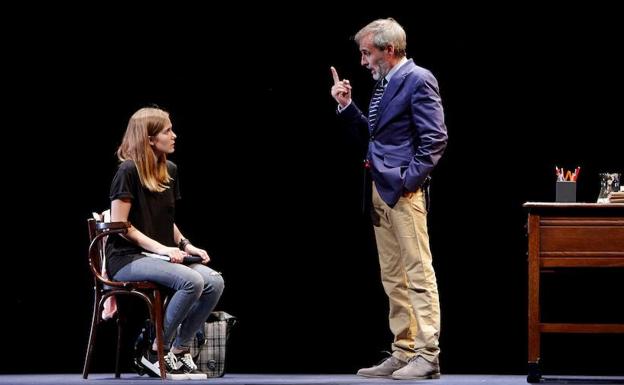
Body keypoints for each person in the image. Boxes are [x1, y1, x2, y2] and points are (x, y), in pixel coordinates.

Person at [330, 18, 447, 380]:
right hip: (380, 189)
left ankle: (427, 354)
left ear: (389, 50)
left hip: (402, 192)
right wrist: (347, 107)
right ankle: (404, 349)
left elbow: (435, 140)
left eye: (367, 53)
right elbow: (375, 136)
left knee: (417, 272)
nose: (363, 61)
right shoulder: (384, 85)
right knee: (393, 276)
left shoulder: (418, 79)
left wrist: (406, 182)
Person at [105, 106, 224, 380]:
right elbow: (121, 226)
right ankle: (153, 351)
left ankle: (179, 351)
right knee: (191, 281)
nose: (174, 135)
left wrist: (185, 245)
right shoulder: (127, 171)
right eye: (167, 131)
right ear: (148, 138)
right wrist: (161, 249)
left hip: (158, 257)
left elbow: (165, 219)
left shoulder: (168, 169)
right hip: (127, 258)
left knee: (214, 281)